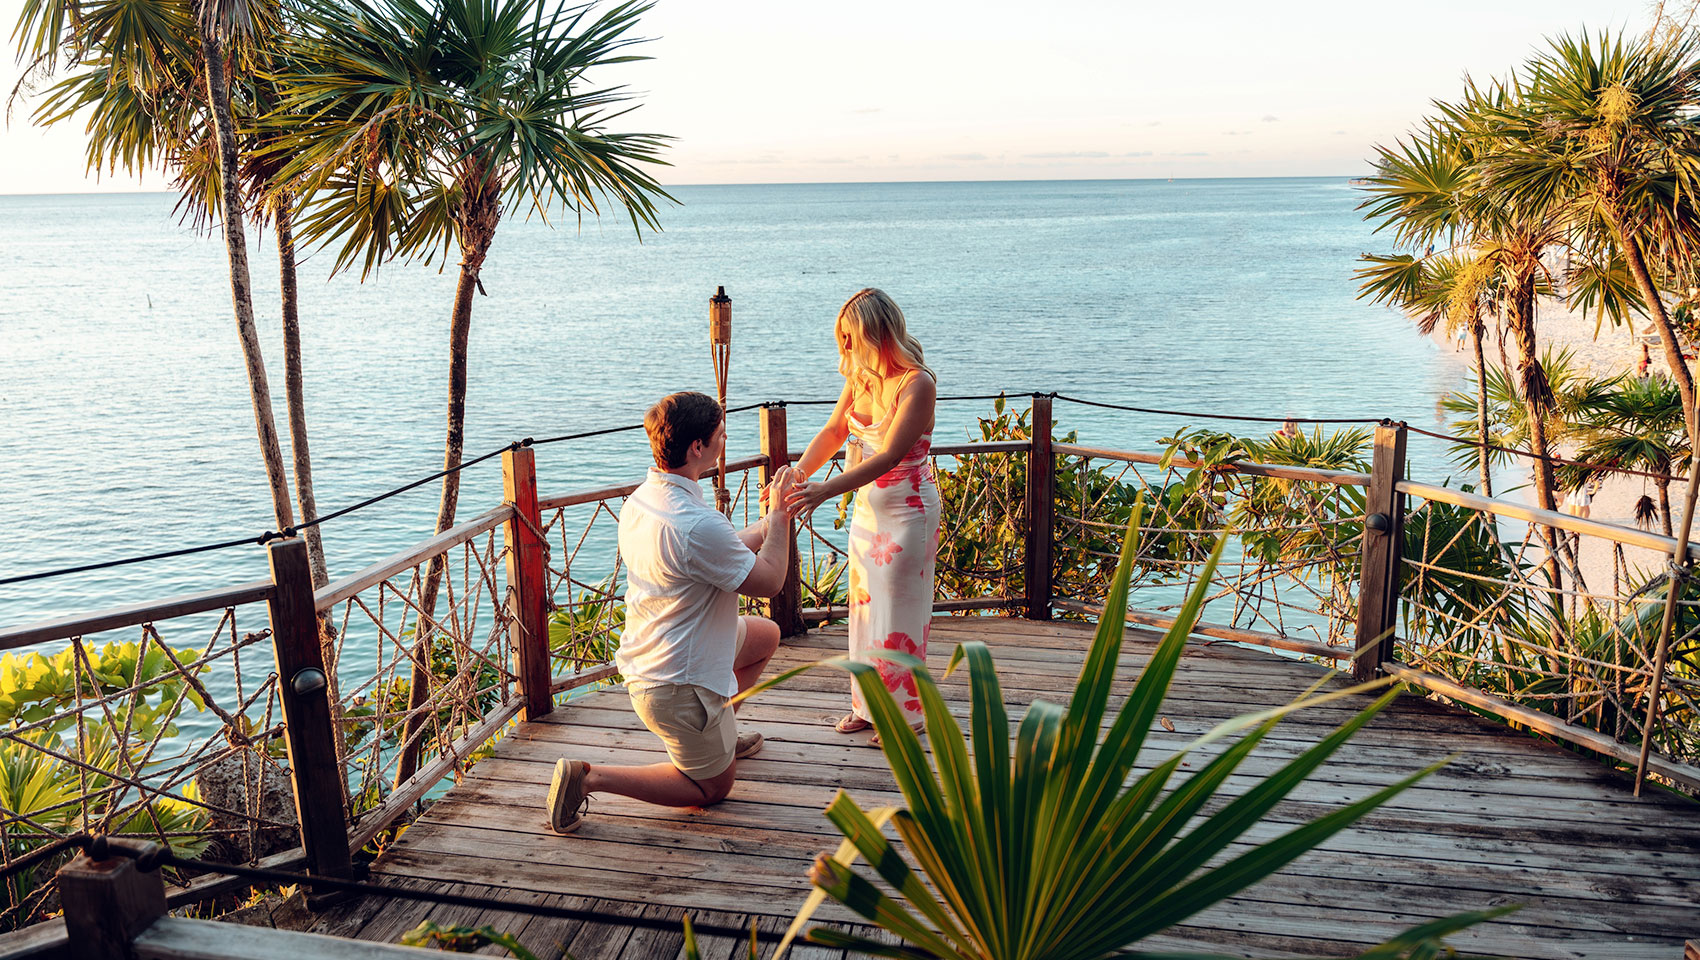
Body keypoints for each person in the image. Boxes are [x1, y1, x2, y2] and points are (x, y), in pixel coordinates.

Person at [545, 392, 796, 834]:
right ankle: (589, 778)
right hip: (676, 683)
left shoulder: (644, 500)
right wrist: (780, 516)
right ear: (697, 447)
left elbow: (714, 551)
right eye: (720, 434)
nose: (724, 440)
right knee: (712, 790)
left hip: (662, 650)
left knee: (764, 636)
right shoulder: (697, 523)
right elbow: (772, 580)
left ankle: (719, 731)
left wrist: (764, 525)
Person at [780, 289, 940, 745]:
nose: (845, 348)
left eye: (851, 338)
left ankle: (906, 716)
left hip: (908, 511)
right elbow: (834, 430)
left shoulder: (917, 383)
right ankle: (866, 706)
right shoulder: (862, 377)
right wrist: (799, 473)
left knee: (901, 611)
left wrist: (828, 489)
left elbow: (891, 454)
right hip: (870, 511)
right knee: (866, 611)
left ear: (876, 332)